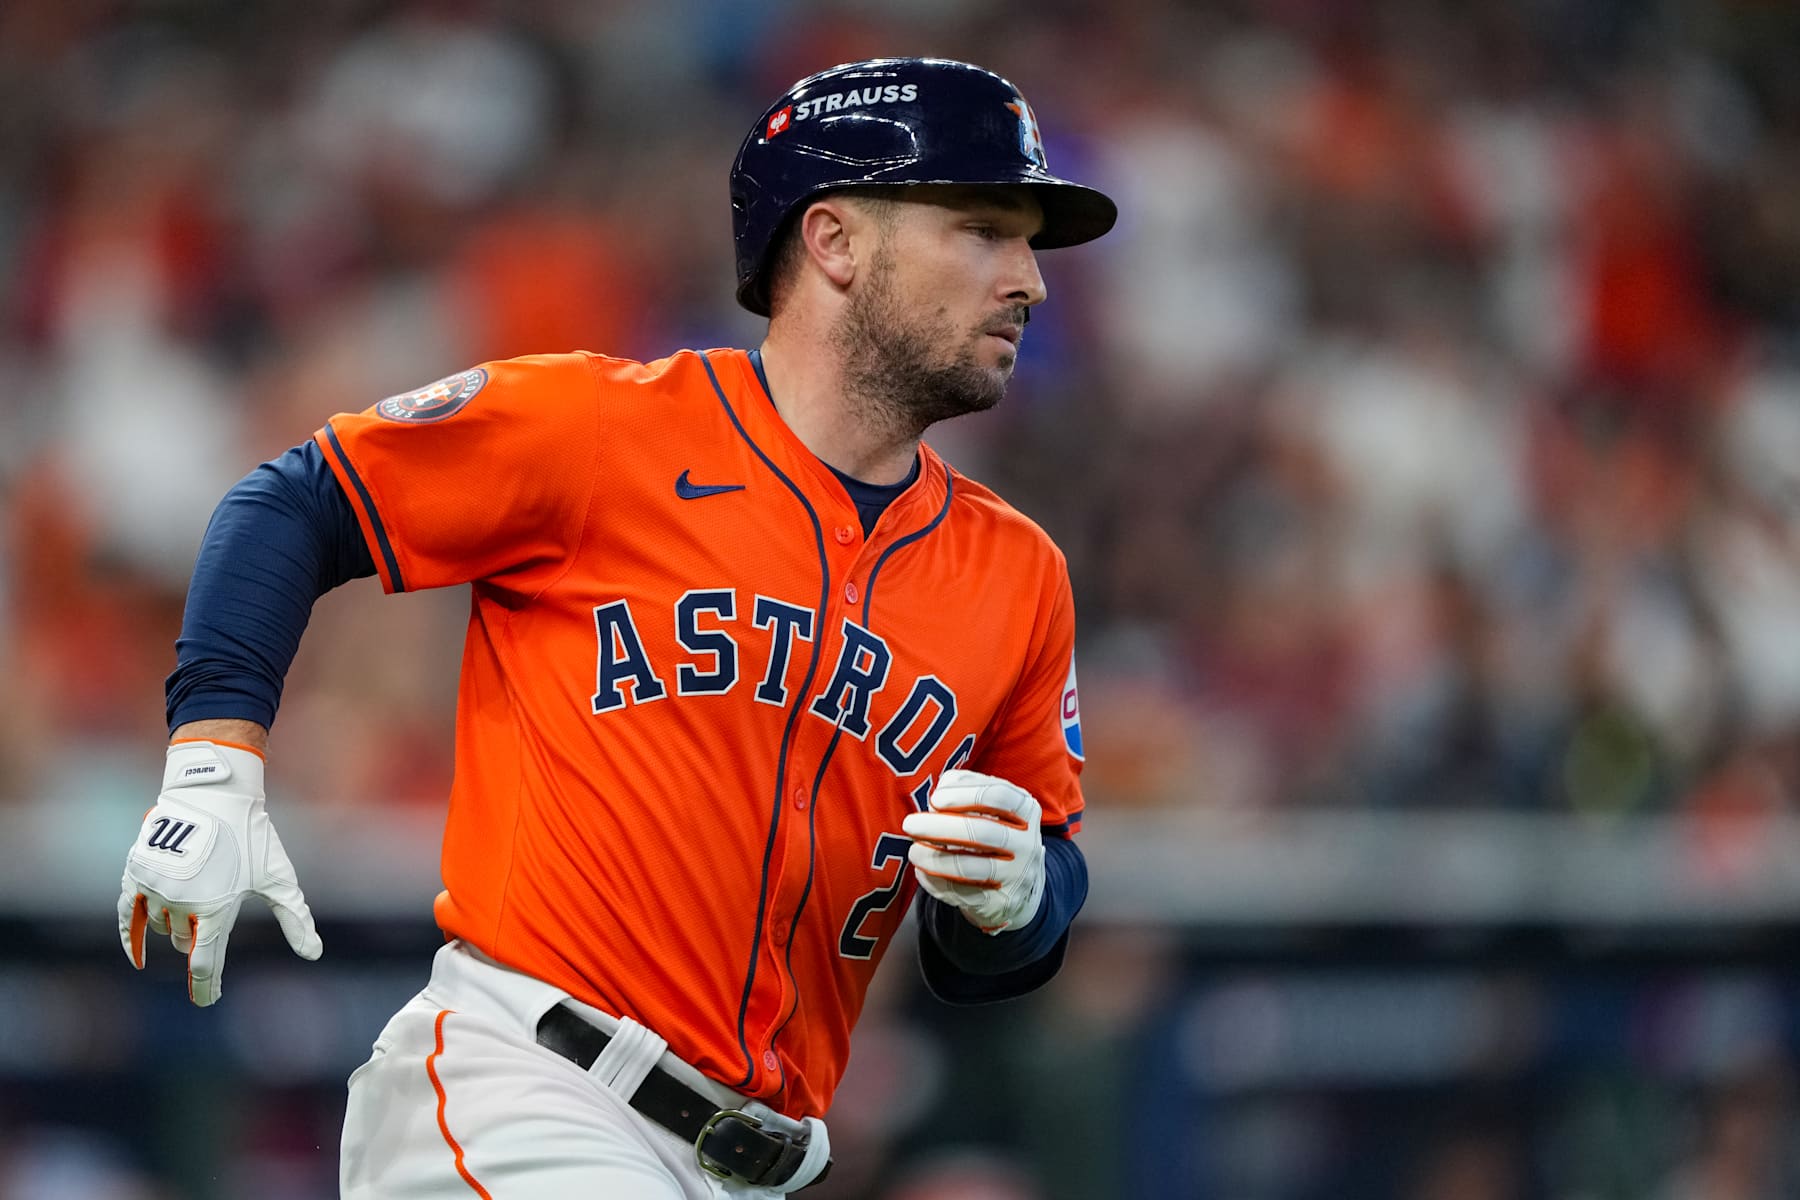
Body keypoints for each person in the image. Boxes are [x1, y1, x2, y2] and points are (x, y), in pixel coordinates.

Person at [115, 56, 1114, 1198]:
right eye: (984, 229)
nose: (1030, 279)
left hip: (763, 1164)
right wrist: (212, 763)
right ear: (834, 243)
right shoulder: (600, 430)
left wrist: (1020, 898)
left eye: (1029, 240)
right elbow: (296, 504)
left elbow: (1005, 941)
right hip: (530, 1091)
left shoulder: (1017, 573)